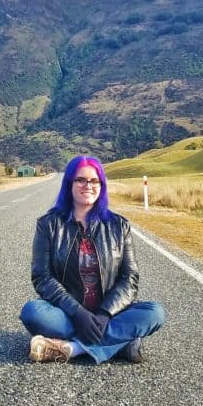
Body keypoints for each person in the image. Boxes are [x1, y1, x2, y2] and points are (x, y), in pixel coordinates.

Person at [20, 155, 166, 363]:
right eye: (81, 180)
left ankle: (71, 348)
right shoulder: (49, 224)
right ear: (69, 183)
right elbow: (42, 276)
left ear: (102, 185)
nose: (88, 185)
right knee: (32, 312)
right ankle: (121, 341)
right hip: (68, 315)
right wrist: (78, 313)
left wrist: (105, 314)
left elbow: (130, 277)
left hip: (110, 314)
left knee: (154, 313)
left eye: (94, 180)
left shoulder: (119, 226)